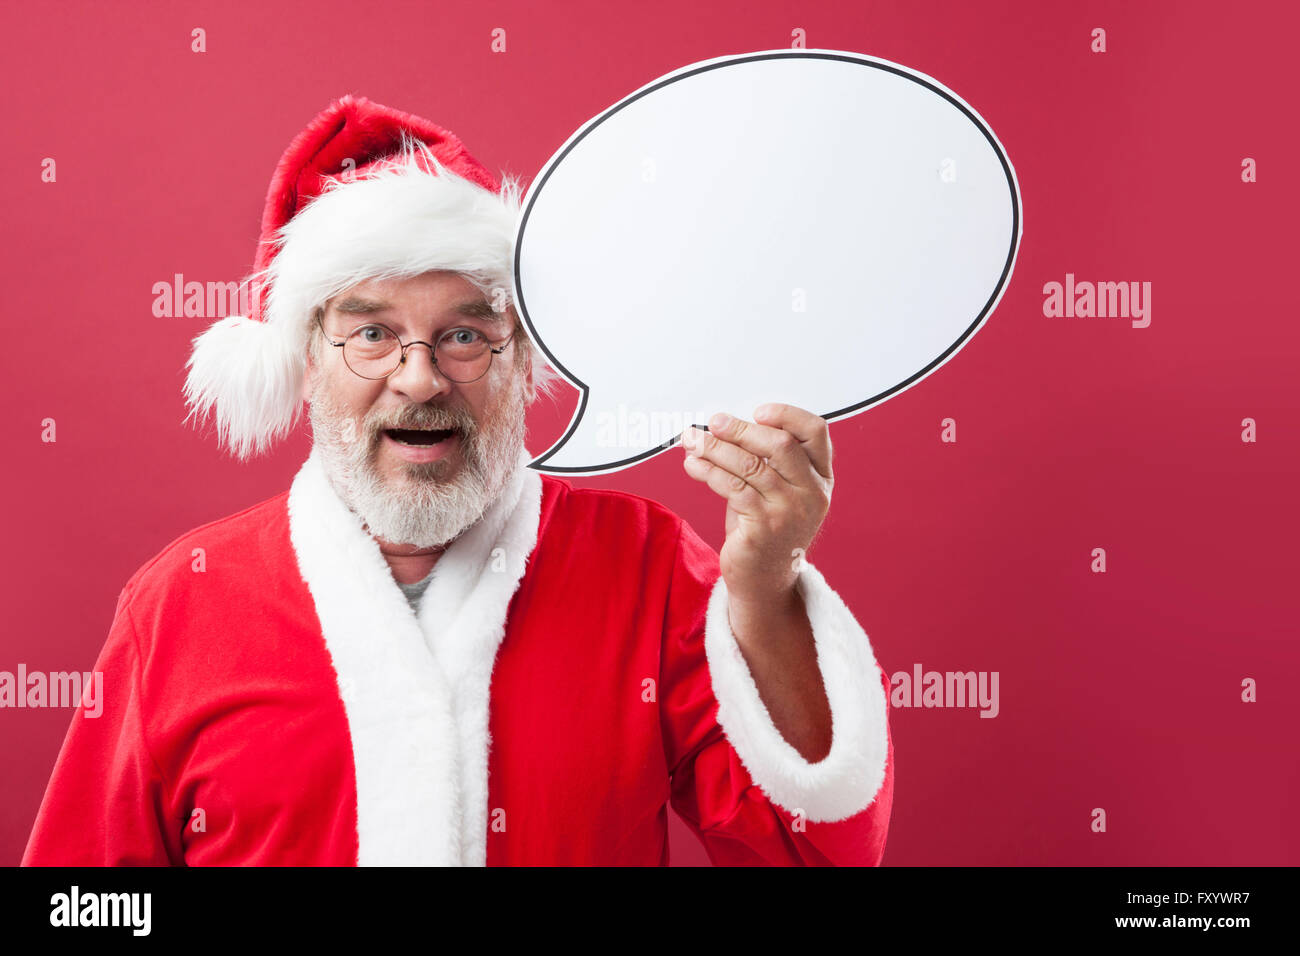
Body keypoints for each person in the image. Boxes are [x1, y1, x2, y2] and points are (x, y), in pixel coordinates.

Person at [22, 95, 893, 866]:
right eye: (371, 335)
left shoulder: (646, 566)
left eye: (466, 336)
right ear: (306, 360)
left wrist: (766, 585)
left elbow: (810, 848)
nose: (420, 378)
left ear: (519, 362)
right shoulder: (181, 604)